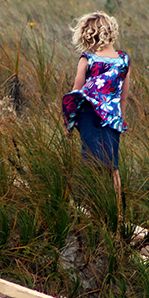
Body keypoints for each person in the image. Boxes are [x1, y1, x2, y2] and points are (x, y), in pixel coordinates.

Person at [62, 11, 130, 205]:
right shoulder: (124, 61)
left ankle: (89, 203)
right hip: (112, 118)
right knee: (112, 165)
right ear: (110, 32)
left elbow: (75, 95)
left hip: (88, 115)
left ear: (87, 34)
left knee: (90, 161)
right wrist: (119, 121)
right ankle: (115, 209)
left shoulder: (87, 60)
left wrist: (68, 124)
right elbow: (123, 98)